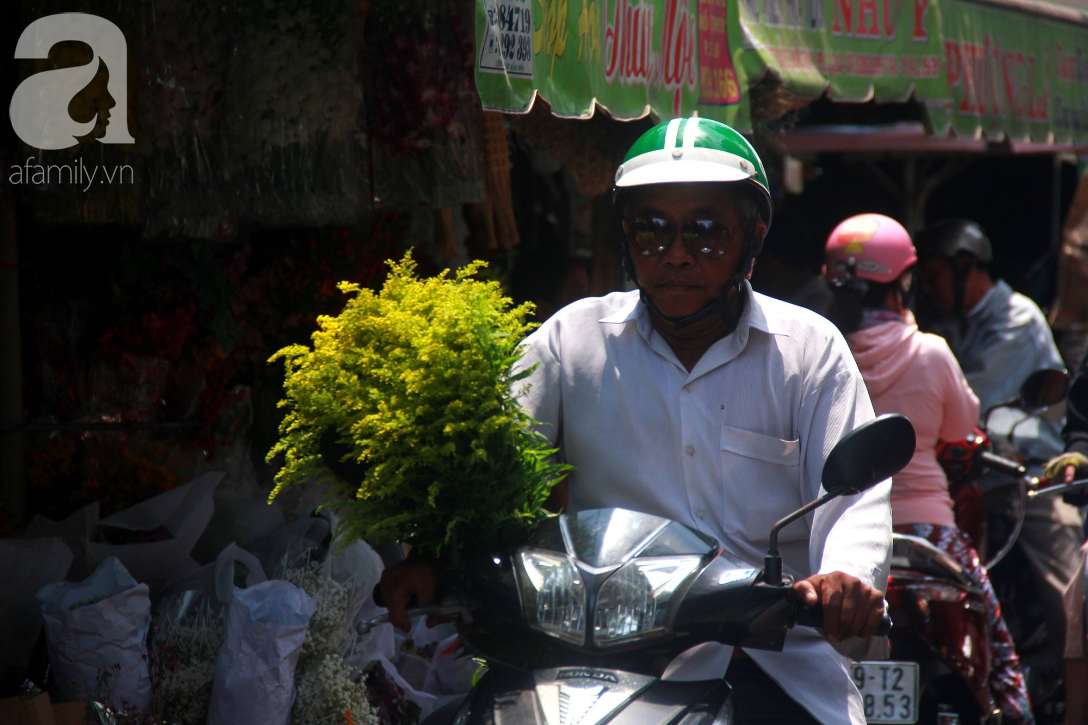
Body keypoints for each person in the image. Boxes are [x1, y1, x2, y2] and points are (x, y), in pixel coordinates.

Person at [380, 118, 894, 725]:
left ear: (751, 237)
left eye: (705, 232)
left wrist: (845, 577)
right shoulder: (573, 341)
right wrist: (435, 554)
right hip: (584, 656)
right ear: (626, 237)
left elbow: (854, 501)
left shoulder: (808, 349)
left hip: (764, 655)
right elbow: (493, 468)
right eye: (652, 230)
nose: (676, 254)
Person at [824, 213, 1033, 723]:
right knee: (997, 646)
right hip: (928, 533)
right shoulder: (932, 352)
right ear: (906, 281)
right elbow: (962, 435)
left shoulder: (823, 353)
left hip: (834, 532)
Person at [915, 219, 1083, 684]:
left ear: (965, 266)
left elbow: (969, 400)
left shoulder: (1016, 317)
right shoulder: (952, 324)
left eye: (934, 277)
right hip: (972, 472)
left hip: (1028, 472)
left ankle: (1077, 683)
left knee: (1068, 580)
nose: (927, 290)